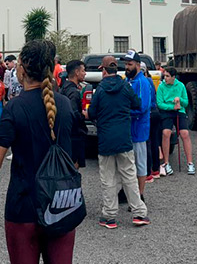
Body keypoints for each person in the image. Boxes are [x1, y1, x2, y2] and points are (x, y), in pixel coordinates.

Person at [0, 40, 78, 264]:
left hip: (24, 203)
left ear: (22, 69)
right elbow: (75, 156)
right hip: (61, 201)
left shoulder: (15, 107)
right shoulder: (65, 104)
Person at [87, 57, 147, 228]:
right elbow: (137, 103)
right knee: (129, 176)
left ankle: (109, 216)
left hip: (106, 139)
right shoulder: (125, 86)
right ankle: (139, 213)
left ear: (104, 70)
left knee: (108, 178)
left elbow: (92, 114)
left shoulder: (100, 90)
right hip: (124, 138)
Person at [155, 64, 193, 177]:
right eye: (164, 76)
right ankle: (166, 163)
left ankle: (190, 162)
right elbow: (160, 103)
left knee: (184, 133)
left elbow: (186, 103)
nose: (164, 78)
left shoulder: (180, 86)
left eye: (167, 76)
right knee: (166, 132)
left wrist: (179, 100)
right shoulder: (161, 87)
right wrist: (172, 107)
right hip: (167, 112)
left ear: (173, 77)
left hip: (179, 112)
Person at [125, 55, 155, 193]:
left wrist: (124, 111)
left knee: (140, 164)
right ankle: (128, 193)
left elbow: (143, 107)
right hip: (127, 130)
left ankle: (140, 195)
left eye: (130, 64)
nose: (127, 67)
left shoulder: (143, 82)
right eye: (126, 64)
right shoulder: (127, 80)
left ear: (137, 64)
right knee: (127, 164)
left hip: (139, 130)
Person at [59, 61, 90, 168]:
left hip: (65, 133)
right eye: (83, 71)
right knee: (73, 166)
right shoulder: (73, 92)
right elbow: (73, 112)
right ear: (76, 72)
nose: (85, 73)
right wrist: (84, 115)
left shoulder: (63, 88)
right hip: (75, 135)